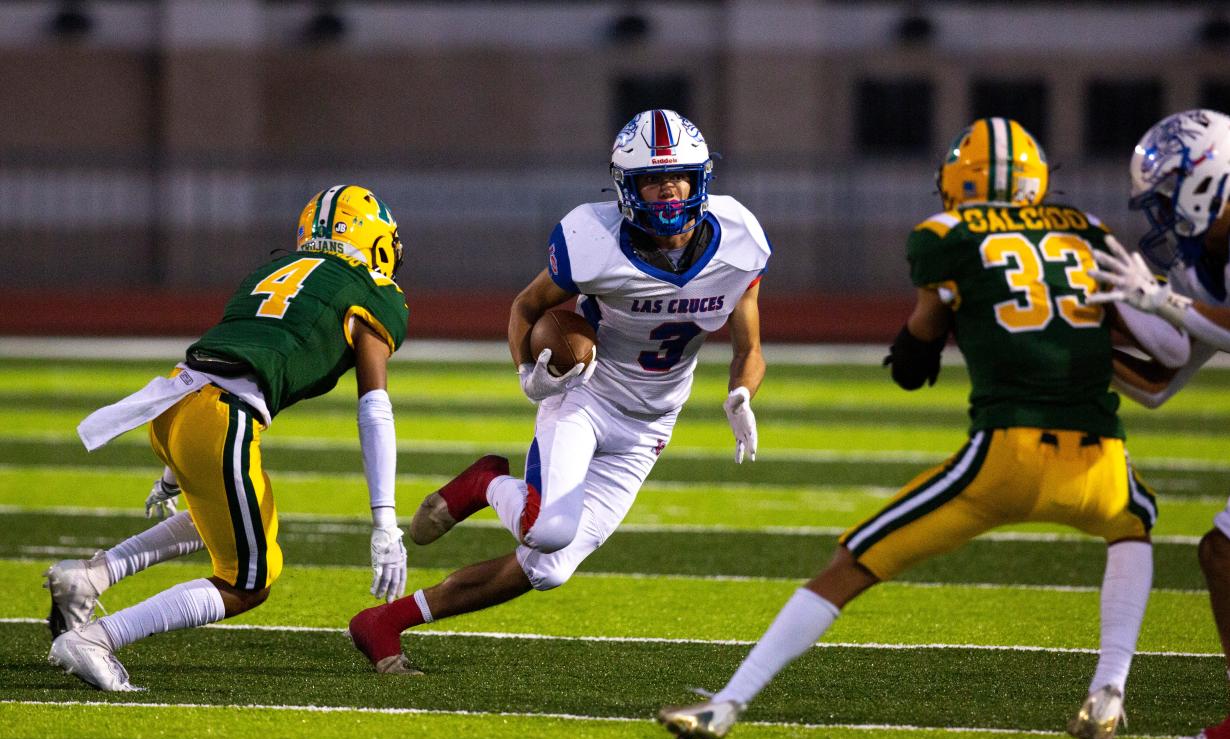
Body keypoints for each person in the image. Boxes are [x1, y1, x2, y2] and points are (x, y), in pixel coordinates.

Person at [659, 118, 1171, 739]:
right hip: (1100, 457)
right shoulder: (1088, 232)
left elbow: (919, 345)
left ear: (959, 181)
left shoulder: (948, 235)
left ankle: (728, 704)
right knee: (1135, 524)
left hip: (1005, 457)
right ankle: (1111, 686)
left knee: (852, 563)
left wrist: (923, 338)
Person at [346, 108, 768, 674]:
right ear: (626, 187)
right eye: (652, 181)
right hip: (586, 395)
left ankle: (386, 620)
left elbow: (749, 347)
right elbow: (527, 306)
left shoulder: (739, 241)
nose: (668, 195)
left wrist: (741, 393)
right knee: (547, 529)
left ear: (702, 180)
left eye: (679, 179)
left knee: (547, 568)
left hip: (651, 424)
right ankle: (487, 483)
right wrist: (529, 372)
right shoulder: (593, 239)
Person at [45, 185, 411, 690]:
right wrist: (385, 522)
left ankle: (90, 576)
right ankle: (98, 638)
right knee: (249, 581)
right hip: (220, 419)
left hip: (172, 405)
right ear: (374, 240)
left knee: (237, 518)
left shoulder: (270, 271)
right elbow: (374, 407)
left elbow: (230, 351)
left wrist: (177, 469)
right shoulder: (373, 292)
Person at [1087, 109, 1230, 739]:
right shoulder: (1209, 260)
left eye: (1167, 197)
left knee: (1228, 554)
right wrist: (1069, 344)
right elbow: (1160, 380)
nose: (1163, 216)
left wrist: (1163, 302)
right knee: (1225, 554)